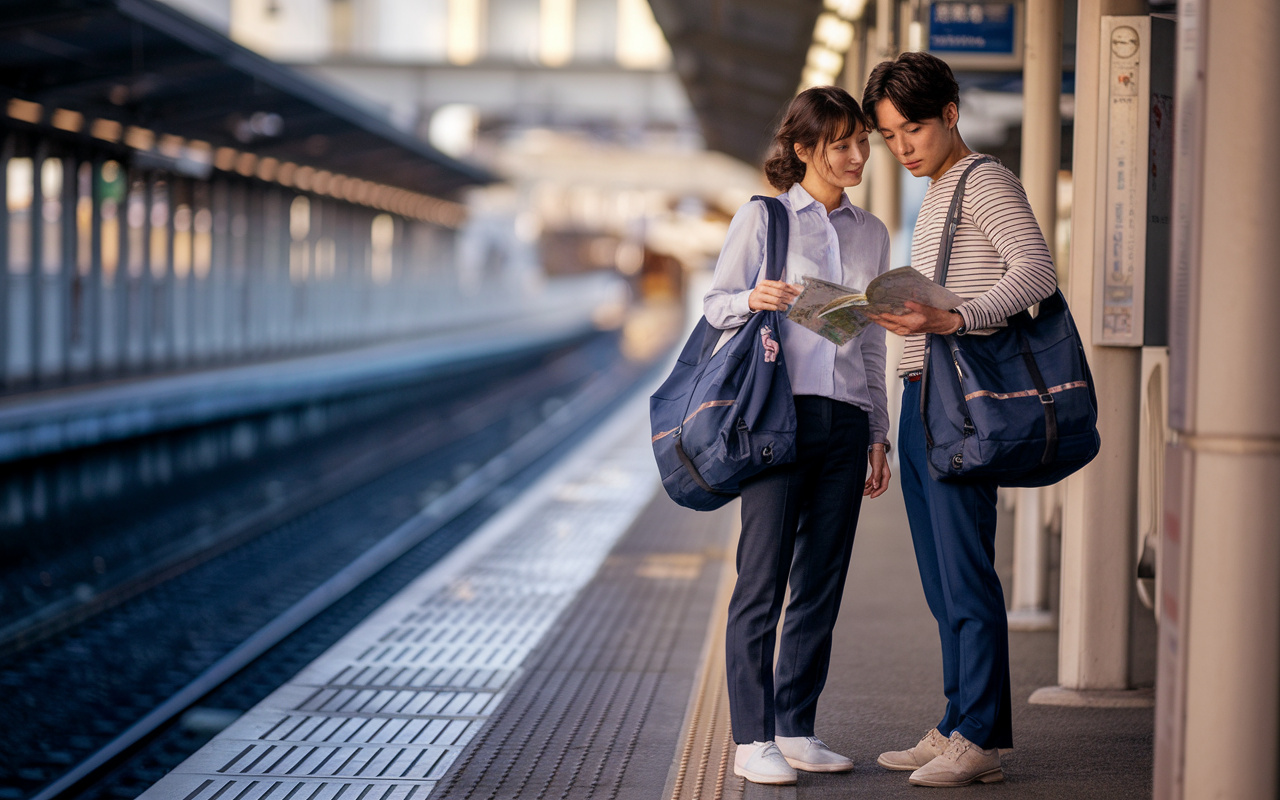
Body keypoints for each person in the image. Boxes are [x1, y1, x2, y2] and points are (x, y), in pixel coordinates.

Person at [860, 52, 1058, 788]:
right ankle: (956, 725)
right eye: (888, 135)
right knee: (942, 577)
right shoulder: (937, 192)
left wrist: (956, 318)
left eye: (912, 127)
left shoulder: (985, 181)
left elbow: (1036, 269)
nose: (902, 145)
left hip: (960, 402)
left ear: (950, 114)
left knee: (966, 569)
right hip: (922, 398)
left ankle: (979, 739)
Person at [703, 85, 892, 786]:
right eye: (841, 144)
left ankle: (796, 726)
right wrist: (753, 298)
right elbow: (715, 305)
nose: (857, 155)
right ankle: (751, 738)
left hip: (843, 419)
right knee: (763, 579)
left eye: (862, 142)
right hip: (776, 416)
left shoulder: (872, 233)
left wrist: (879, 432)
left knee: (821, 582)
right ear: (804, 149)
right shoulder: (766, 220)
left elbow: (869, 343)